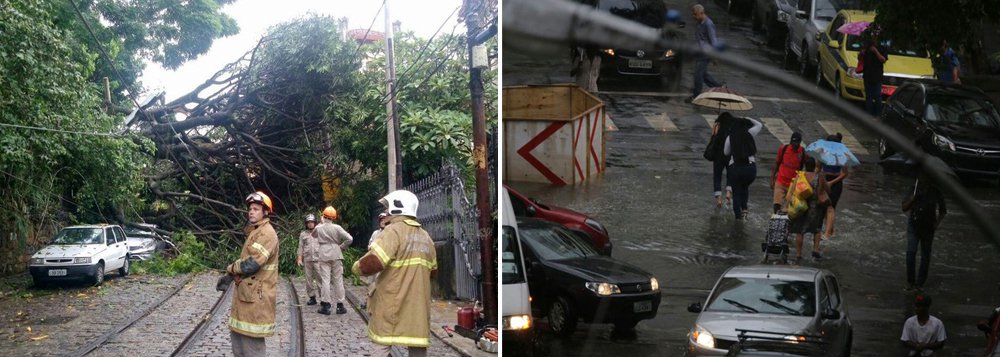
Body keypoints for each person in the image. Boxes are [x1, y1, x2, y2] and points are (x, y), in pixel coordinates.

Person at [353, 190, 437, 357]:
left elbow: (375, 261)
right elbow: (433, 272)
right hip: (418, 304)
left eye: (388, 208)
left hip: (391, 300)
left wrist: (356, 267)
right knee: (417, 343)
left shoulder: (393, 231)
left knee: (382, 342)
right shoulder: (426, 237)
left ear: (397, 207)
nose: (387, 212)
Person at [220, 191, 279, 357]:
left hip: (257, 297)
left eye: (256, 209)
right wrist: (230, 277)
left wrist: (231, 269)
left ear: (265, 212)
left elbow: (252, 264)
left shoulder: (267, 233)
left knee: (252, 346)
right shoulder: (256, 231)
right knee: (239, 343)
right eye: (250, 209)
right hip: (247, 295)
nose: (251, 212)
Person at [902, 171, 946, 291]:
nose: (923, 179)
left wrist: (936, 224)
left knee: (925, 256)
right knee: (910, 253)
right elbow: (904, 207)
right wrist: (913, 198)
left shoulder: (936, 192)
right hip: (914, 225)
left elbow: (943, 210)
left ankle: (920, 283)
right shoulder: (914, 189)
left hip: (928, 227)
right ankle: (910, 282)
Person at [782, 158, 830, 261]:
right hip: (815, 208)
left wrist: (786, 205)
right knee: (817, 229)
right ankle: (815, 250)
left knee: (800, 231)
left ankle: (799, 254)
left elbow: (792, 191)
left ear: (805, 166)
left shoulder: (800, 176)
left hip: (801, 207)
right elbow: (827, 189)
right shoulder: (819, 176)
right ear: (814, 166)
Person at [312, 206, 354, 315]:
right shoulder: (337, 227)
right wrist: (342, 247)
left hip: (323, 254)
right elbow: (350, 239)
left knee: (325, 280)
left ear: (323, 216)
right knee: (338, 280)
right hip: (336, 252)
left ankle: (326, 306)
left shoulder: (319, 228)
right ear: (334, 217)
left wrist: (321, 223)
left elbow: (313, 235)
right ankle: (340, 306)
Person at [723, 116, 762, 220]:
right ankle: (744, 210)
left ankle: (738, 218)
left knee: (736, 192)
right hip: (750, 169)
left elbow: (726, 152)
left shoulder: (730, 137)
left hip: (736, 169)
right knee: (744, 187)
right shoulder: (749, 133)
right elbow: (759, 125)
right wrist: (748, 118)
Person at [685, 4, 724, 103]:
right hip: (700, 52)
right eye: (693, 14)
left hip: (706, 53)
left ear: (701, 13)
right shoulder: (699, 23)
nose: (693, 16)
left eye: (695, 14)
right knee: (703, 74)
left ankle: (696, 96)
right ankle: (719, 88)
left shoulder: (708, 24)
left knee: (698, 75)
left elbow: (713, 41)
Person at [821, 133, 849, 240]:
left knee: (830, 207)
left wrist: (831, 183)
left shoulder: (841, 155)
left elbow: (845, 173)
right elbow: (818, 168)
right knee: (824, 207)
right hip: (824, 181)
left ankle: (827, 233)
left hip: (836, 183)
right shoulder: (823, 153)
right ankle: (832, 231)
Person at [770, 132, 805, 214]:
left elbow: (808, 166)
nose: (794, 145)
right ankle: (776, 218)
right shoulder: (784, 149)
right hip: (780, 181)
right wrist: (772, 179)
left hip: (793, 185)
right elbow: (777, 163)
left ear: (800, 143)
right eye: (793, 143)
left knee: (789, 208)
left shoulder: (803, 152)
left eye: (796, 144)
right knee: (777, 205)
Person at [860, 26, 888, 116]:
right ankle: (868, 114)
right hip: (867, 75)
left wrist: (876, 51)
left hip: (877, 76)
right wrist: (861, 53)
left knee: (877, 96)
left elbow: (883, 59)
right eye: (873, 36)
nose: (874, 38)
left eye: (875, 36)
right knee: (868, 96)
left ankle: (878, 114)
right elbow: (860, 59)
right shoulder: (867, 46)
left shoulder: (882, 48)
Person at [709, 113, 734, 208]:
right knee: (730, 174)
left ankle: (719, 199)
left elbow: (712, 138)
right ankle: (728, 192)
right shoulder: (732, 128)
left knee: (717, 176)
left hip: (718, 155)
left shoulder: (717, 126)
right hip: (729, 154)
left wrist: (714, 128)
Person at [296, 214, 320, 306]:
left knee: (320, 279)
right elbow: (300, 247)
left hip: (318, 259)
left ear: (315, 223)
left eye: (312, 222)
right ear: (306, 224)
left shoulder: (319, 232)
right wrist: (299, 258)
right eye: (308, 222)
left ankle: (323, 298)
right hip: (307, 259)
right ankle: (312, 297)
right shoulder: (303, 234)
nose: (310, 224)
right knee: (308, 280)